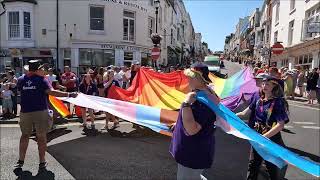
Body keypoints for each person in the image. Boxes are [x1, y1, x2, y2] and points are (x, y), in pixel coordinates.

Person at [14, 60, 77, 173]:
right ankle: (42, 161)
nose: (44, 70)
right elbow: (52, 92)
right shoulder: (42, 80)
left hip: (25, 112)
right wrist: (69, 94)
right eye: (42, 68)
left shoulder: (21, 80)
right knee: (41, 137)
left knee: (25, 136)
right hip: (40, 112)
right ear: (38, 69)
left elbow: (20, 91)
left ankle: (20, 160)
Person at [170, 62, 220, 180]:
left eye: (191, 77)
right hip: (195, 151)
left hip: (192, 153)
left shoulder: (204, 100)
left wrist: (186, 103)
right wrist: (178, 123)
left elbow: (192, 129)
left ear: (200, 79)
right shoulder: (204, 93)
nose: (188, 79)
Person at [237, 76, 289, 180]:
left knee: (271, 166)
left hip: (271, 138)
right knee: (254, 164)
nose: (264, 86)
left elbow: (280, 125)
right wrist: (228, 115)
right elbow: (244, 113)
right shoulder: (258, 99)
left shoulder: (278, 102)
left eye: (268, 84)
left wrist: (264, 137)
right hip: (257, 135)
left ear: (274, 86)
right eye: (264, 83)